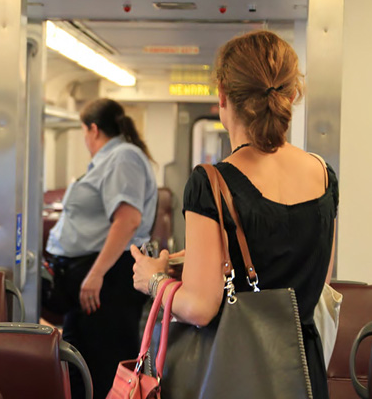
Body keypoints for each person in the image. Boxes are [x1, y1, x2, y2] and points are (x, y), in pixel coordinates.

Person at [130, 30, 338, 399]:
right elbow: (311, 273)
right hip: (300, 369)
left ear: (222, 96)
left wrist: (154, 280)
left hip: (237, 369)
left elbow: (200, 308)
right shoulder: (323, 174)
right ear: (291, 96)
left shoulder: (210, 182)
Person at [45, 98, 158, 399]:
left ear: (93, 129)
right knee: (81, 363)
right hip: (93, 276)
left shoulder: (123, 157)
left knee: (103, 366)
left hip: (108, 278)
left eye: (84, 132)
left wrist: (95, 275)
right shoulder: (110, 159)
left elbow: (128, 220)